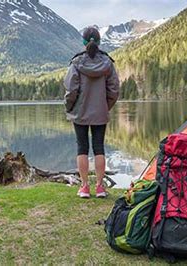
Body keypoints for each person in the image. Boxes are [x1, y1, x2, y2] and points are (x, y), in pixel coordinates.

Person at [63, 27, 120, 198]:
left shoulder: (76, 63)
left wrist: (69, 107)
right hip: (100, 112)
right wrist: (104, 106)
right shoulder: (108, 63)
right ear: (99, 41)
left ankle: (85, 187)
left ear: (83, 42)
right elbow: (114, 90)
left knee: (82, 148)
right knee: (99, 148)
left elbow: (71, 89)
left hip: (80, 112)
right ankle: (100, 187)